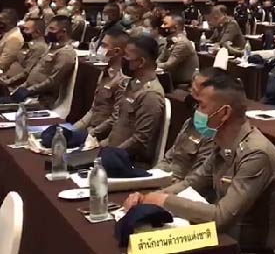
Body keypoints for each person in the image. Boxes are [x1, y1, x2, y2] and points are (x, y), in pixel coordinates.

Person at [123, 70, 275, 253]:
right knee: (140, 244)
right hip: (230, 240)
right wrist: (149, 197)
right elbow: (192, 182)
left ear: (224, 113)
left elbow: (221, 217)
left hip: (261, 250)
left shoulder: (256, 153)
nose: (196, 112)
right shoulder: (223, 144)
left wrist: (165, 201)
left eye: (201, 106)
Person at [102, 35, 166, 168]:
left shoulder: (151, 95)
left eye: (127, 56)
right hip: (112, 153)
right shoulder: (133, 84)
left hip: (128, 162)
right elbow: (119, 124)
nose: (123, 60)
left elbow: (139, 140)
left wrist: (110, 155)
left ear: (141, 62)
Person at [155, 67, 219, 181]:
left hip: (180, 185)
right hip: (163, 178)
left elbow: (196, 179)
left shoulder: (211, 132)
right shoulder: (190, 122)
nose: (191, 93)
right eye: (191, 88)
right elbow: (168, 158)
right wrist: (152, 176)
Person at [10, 15, 77, 108]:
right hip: (29, 92)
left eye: (52, 29)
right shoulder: (51, 48)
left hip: (42, 98)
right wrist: (22, 88)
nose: (47, 32)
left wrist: (29, 90)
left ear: (63, 32)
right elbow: (34, 71)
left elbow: (53, 82)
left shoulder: (66, 53)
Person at [73, 28, 128, 137]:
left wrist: (90, 134)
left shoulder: (123, 81)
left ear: (116, 51)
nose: (99, 49)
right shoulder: (105, 73)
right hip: (91, 130)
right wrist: (72, 130)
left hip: (104, 136)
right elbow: (94, 110)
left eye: (104, 45)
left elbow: (115, 119)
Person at [0, 19, 47, 86]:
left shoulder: (40, 48)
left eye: (27, 29)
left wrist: (8, 82)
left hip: (13, 84)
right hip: (6, 77)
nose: (23, 31)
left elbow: (27, 71)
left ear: (37, 32)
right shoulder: (29, 43)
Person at [157, 15, 199, 88]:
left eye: (165, 24)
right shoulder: (170, 40)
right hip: (171, 80)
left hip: (184, 84)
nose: (163, 26)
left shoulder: (182, 43)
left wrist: (152, 66)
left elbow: (169, 65)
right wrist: (154, 65)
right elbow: (160, 59)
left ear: (175, 27)